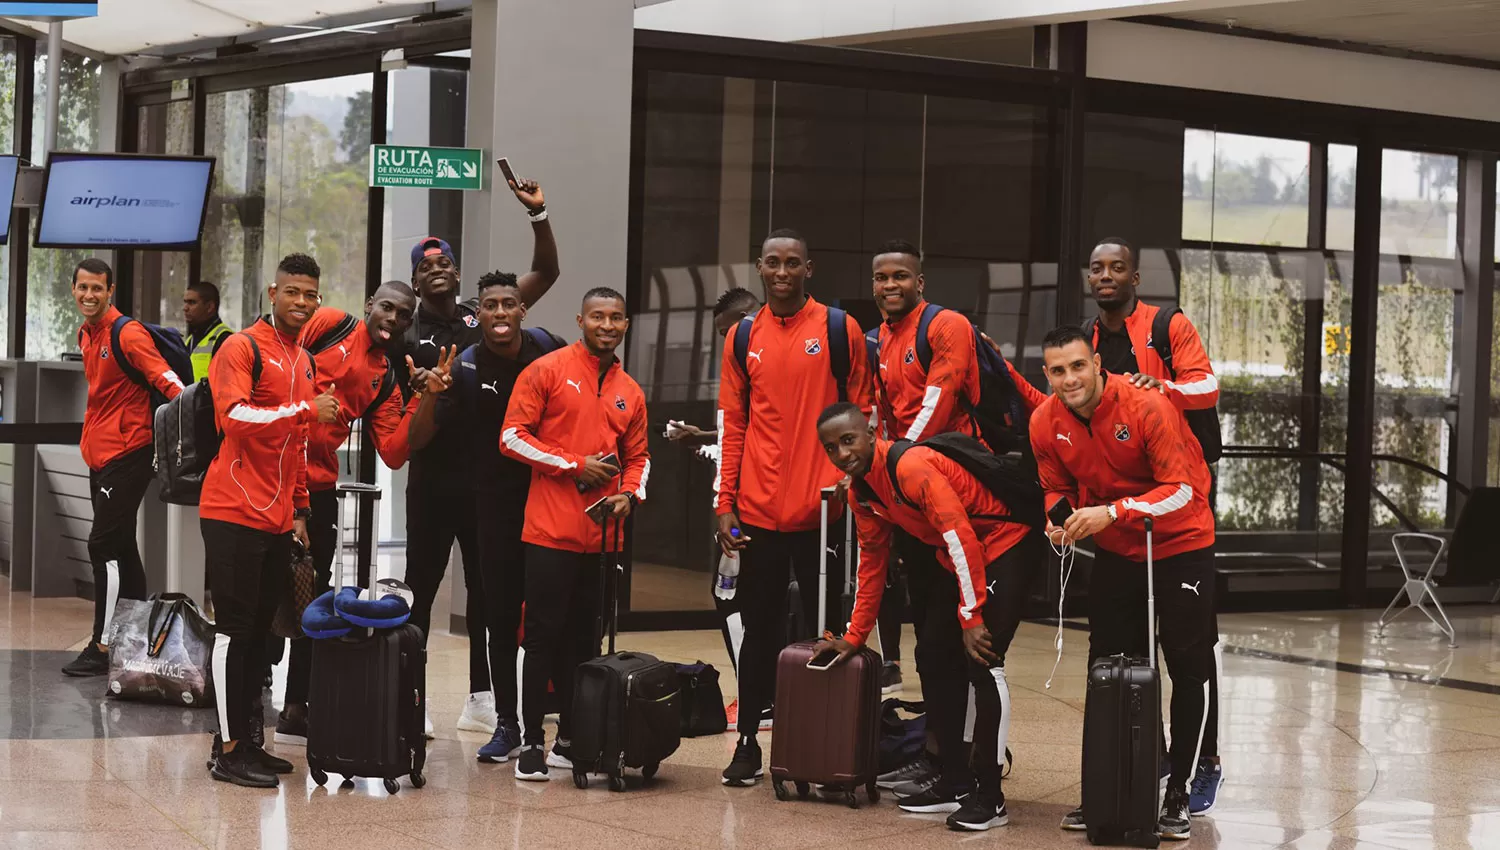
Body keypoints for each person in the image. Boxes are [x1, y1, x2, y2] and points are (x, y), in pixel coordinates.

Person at [1030, 325, 1216, 841]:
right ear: (1046, 374)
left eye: (1078, 366)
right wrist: (1059, 519)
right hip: (1118, 550)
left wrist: (1113, 510)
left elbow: (1181, 491)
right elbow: (1054, 487)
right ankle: (1110, 789)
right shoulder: (1045, 422)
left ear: (1096, 364)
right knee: (1107, 669)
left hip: (1182, 546)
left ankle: (1178, 789)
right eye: (1058, 370)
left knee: (1187, 667)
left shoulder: (1146, 406)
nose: (1070, 379)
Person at [814, 402, 1038, 831]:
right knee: (933, 655)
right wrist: (854, 635)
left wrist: (971, 618)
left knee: (983, 661)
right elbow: (872, 564)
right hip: (964, 559)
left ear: (871, 431)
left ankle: (989, 796)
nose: (842, 454)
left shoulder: (910, 466)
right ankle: (953, 778)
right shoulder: (863, 492)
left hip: (1006, 544)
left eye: (848, 440)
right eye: (831, 448)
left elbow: (960, 537)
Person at [400, 176, 559, 735]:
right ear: (417, 281)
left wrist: (538, 215)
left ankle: (481, 697)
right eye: (426, 264)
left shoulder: (484, 314)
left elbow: (546, 274)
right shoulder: (408, 331)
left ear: (458, 273)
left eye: (445, 260)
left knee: (488, 597)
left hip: (487, 485)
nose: (437, 266)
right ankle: (408, 701)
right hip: (433, 484)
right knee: (419, 592)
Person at [715, 228, 873, 787]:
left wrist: (847, 485)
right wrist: (724, 503)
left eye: (792, 264)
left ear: (810, 268)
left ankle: (825, 741)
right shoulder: (741, 338)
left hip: (825, 511)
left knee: (828, 631)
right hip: (757, 512)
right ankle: (748, 745)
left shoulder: (838, 329)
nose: (782, 272)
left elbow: (862, 413)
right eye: (772, 263)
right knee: (758, 632)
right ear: (759, 268)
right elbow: (733, 425)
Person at [868, 240, 1051, 703]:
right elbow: (882, 415)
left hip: (956, 477)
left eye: (900, 276)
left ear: (920, 282)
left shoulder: (945, 324)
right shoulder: (881, 340)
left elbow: (941, 397)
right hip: (913, 485)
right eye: (882, 277)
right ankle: (939, 749)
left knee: (970, 647)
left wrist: (896, 460)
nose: (891, 284)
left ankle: (974, 758)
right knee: (931, 640)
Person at [1084, 236, 1224, 815]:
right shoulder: (1087, 343)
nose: (1107, 276)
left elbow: (1206, 387)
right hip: (1121, 523)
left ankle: (1203, 763)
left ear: (1136, 277)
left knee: (1188, 651)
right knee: (1124, 655)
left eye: (1118, 268)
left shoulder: (1166, 326)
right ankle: (1151, 764)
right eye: (1098, 269)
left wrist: (1158, 386)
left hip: (1179, 510)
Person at [499, 287, 650, 782]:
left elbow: (640, 458)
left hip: (603, 537)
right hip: (549, 531)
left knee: (586, 642)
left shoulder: (631, 389)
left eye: (616, 318)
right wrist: (572, 465)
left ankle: (571, 735)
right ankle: (529, 743)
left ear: (626, 325)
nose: (606, 325)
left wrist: (630, 493)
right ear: (580, 319)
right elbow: (512, 437)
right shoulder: (547, 369)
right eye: (597, 317)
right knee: (542, 637)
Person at [200, 253, 338, 787]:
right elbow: (233, 416)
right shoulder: (242, 347)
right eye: (293, 292)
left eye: (311, 295)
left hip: (278, 518)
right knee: (234, 634)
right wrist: (304, 411)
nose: (301, 302)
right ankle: (227, 748)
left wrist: (301, 509)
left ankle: (248, 742)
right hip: (233, 509)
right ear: (271, 293)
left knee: (261, 637)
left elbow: (295, 445)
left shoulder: (302, 359)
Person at [272, 282, 423, 745]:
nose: (393, 319)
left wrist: (423, 397)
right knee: (258, 592)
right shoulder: (331, 323)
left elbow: (395, 452)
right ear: (369, 307)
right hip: (268, 476)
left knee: (307, 599)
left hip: (316, 490)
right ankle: (245, 695)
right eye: (387, 308)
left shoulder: (387, 377)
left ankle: (296, 707)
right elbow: (278, 359)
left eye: (403, 315)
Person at [62, 258, 186, 678]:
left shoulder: (126, 333)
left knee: (103, 545)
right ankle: (135, 636)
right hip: (100, 453)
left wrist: (186, 426)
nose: (89, 295)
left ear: (110, 290)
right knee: (122, 544)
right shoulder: (86, 333)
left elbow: (170, 383)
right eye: (82, 288)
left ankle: (103, 644)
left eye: (97, 288)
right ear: (74, 289)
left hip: (129, 453)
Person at [662, 287, 770, 729]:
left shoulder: (761, 360)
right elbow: (740, 439)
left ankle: (756, 701)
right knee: (739, 598)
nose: (726, 341)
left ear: (750, 315)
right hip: (741, 501)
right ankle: (761, 698)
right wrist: (703, 440)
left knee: (732, 598)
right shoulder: (744, 364)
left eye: (729, 330)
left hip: (752, 508)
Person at [184, 281, 233, 383]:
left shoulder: (225, 339)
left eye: (192, 302)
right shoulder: (189, 341)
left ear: (210, 307)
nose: (185, 308)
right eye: (185, 302)